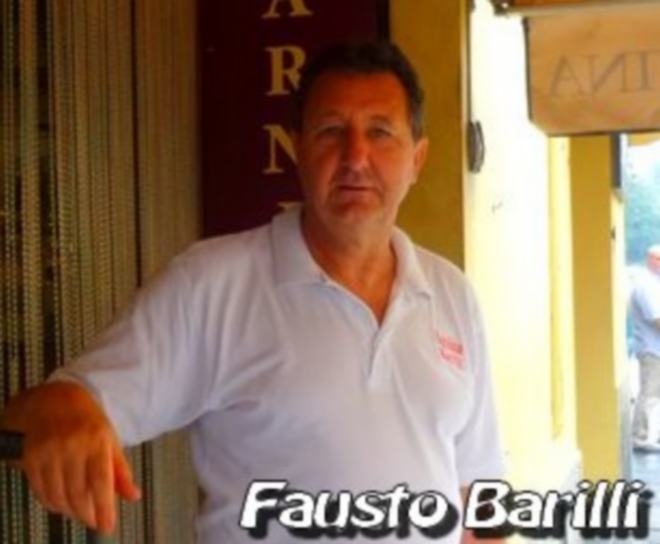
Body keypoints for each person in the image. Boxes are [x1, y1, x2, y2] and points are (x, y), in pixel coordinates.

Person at [1, 42, 504, 542]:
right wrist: (61, 411)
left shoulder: (451, 295)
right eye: (330, 130)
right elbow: (55, 411)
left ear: (417, 159)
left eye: (380, 132)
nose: (356, 156)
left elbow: (480, 494)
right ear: (297, 149)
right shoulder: (212, 285)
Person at [631, 245, 660, 451]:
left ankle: (651, 435)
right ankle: (640, 437)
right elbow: (656, 319)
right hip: (652, 350)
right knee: (649, 394)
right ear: (651, 260)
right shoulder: (646, 286)